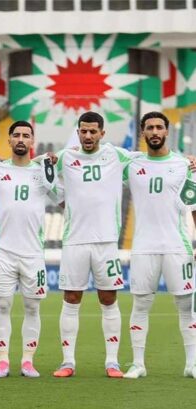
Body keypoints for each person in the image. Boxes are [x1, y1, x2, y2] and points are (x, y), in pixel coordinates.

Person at [51, 111, 135, 378]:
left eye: (93, 131)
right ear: (78, 132)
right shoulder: (65, 157)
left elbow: (151, 160)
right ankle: (67, 362)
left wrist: (186, 160)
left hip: (106, 241)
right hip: (74, 241)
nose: (88, 136)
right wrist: (64, 202)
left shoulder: (116, 155)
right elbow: (41, 175)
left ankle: (112, 362)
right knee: (71, 299)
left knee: (108, 299)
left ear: (102, 133)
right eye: (83, 131)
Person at [123, 111, 196, 379]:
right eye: (149, 128)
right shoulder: (131, 164)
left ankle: (192, 364)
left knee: (186, 306)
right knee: (140, 305)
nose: (154, 132)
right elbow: (98, 159)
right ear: (142, 132)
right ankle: (138, 364)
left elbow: (194, 206)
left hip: (177, 246)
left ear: (166, 131)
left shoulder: (184, 165)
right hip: (143, 247)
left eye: (159, 127)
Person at [0, 121, 58, 378]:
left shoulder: (43, 170)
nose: (21, 139)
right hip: (4, 251)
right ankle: (3, 361)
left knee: (32, 308)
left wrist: (53, 163)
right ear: (10, 140)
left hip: (33, 253)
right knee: (3, 305)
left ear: (32, 140)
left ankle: (27, 361)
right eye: (17, 135)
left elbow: (61, 198)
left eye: (26, 135)